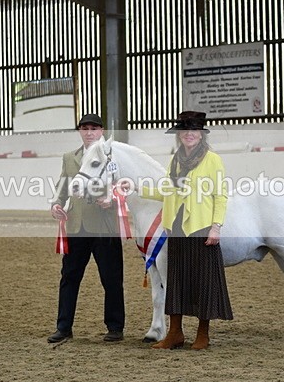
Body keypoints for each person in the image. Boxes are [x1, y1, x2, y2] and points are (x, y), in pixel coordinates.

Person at [135, 110, 233, 350]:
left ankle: (203, 334)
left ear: (201, 135)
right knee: (176, 280)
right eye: (184, 131)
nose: (189, 135)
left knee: (203, 281)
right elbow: (168, 191)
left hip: (200, 227)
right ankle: (175, 333)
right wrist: (136, 188)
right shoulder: (175, 160)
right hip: (176, 227)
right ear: (179, 135)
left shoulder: (213, 160)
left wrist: (216, 226)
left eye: (194, 131)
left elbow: (220, 195)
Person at [48, 113, 125, 344]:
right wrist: (56, 205)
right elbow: (62, 187)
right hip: (76, 226)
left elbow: (126, 185)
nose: (89, 132)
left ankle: (115, 327)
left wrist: (113, 199)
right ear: (80, 131)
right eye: (84, 128)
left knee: (111, 279)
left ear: (101, 131)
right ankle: (63, 327)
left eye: (93, 128)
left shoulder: (114, 157)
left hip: (104, 226)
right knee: (69, 277)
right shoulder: (69, 158)